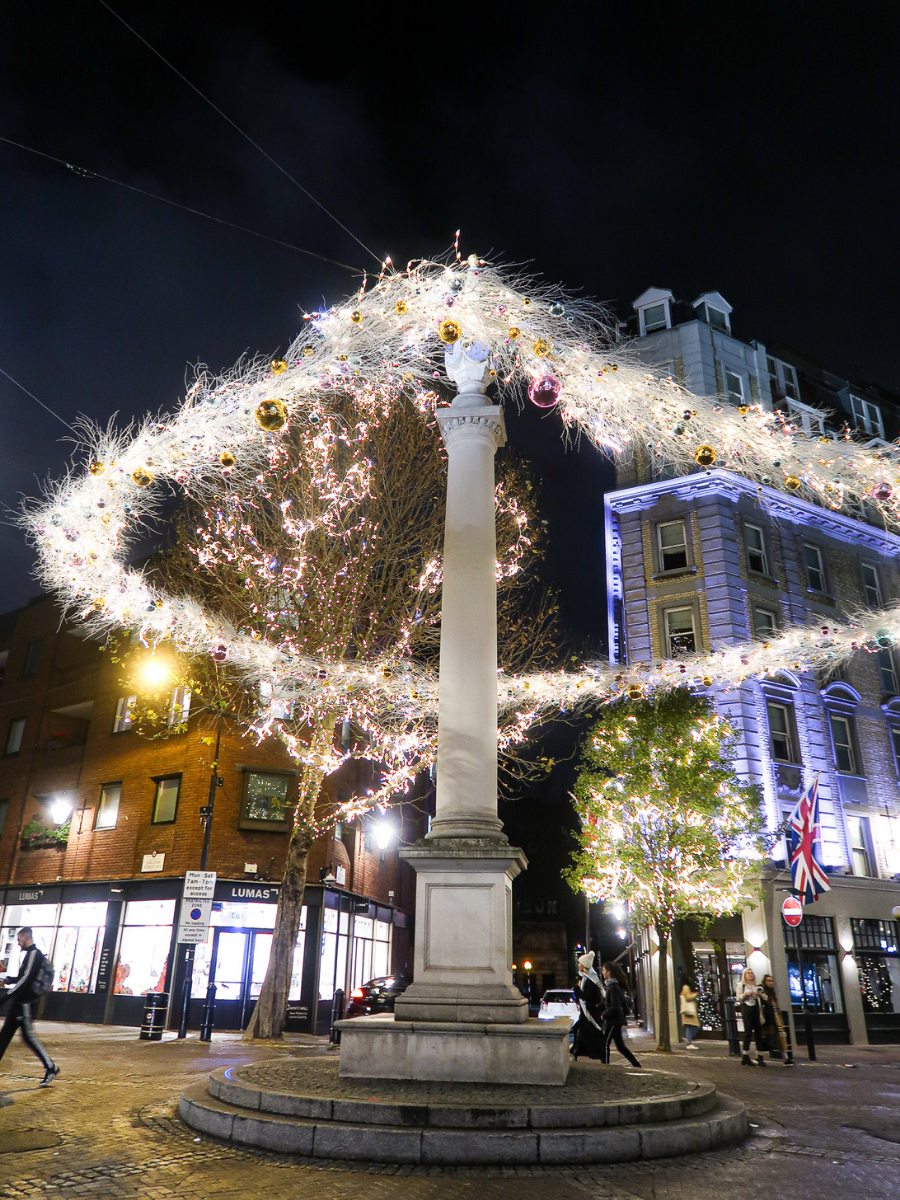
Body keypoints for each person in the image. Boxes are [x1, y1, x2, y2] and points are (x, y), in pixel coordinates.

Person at [0, 928, 59, 1086]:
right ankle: (51, 1067)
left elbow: (26, 979)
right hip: (19, 1003)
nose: (18, 943)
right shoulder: (31, 955)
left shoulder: (34, 954)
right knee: (5, 1037)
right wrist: (11, 980)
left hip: (24, 1004)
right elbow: (23, 978)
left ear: (26, 936)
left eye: (19, 939)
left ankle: (51, 1067)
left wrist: (6, 996)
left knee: (26, 1037)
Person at [600, 961, 641, 1068]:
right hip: (615, 1020)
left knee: (605, 1043)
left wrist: (604, 1014)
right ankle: (636, 1065)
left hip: (613, 1021)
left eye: (604, 970)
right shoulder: (613, 986)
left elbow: (615, 1006)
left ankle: (605, 1066)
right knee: (620, 1046)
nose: (602, 972)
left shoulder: (613, 987)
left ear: (609, 972)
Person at [570, 950, 606, 1060]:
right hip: (586, 1011)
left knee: (590, 1033)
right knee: (579, 1030)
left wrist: (577, 990)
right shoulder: (585, 978)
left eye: (580, 963)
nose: (578, 965)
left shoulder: (591, 980)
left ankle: (579, 1052)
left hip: (590, 1012)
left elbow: (588, 996)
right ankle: (576, 1052)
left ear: (585, 965)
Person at [734, 966, 766, 1066]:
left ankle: (760, 1055)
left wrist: (759, 994)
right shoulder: (742, 986)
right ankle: (745, 1055)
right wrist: (746, 994)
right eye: (748, 973)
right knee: (748, 1032)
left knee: (758, 1032)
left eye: (751, 973)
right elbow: (738, 998)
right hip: (747, 1009)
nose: (750, 975)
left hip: (756, 1009)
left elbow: (765, 997)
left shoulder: (757, 986)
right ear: (745, 975)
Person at [761, 974, 794, 1066]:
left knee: (780, 1036)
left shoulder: (773, 993)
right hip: (769, 1018)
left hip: (776, 1016)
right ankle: (759, 1056)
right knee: (765, 1037)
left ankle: (785, 1057)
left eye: (771, 981)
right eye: (768, 981)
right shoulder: (765, 992)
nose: (770, 983)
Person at [679, 981, 701, 1049]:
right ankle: (688, 1042)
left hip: (689, 1011)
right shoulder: (686, 987)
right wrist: (695, 994)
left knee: (691, 1026)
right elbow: (688, 997)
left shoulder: (685, 987)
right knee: (692, 1026)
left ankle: (689, 1041)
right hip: (689, 1011)